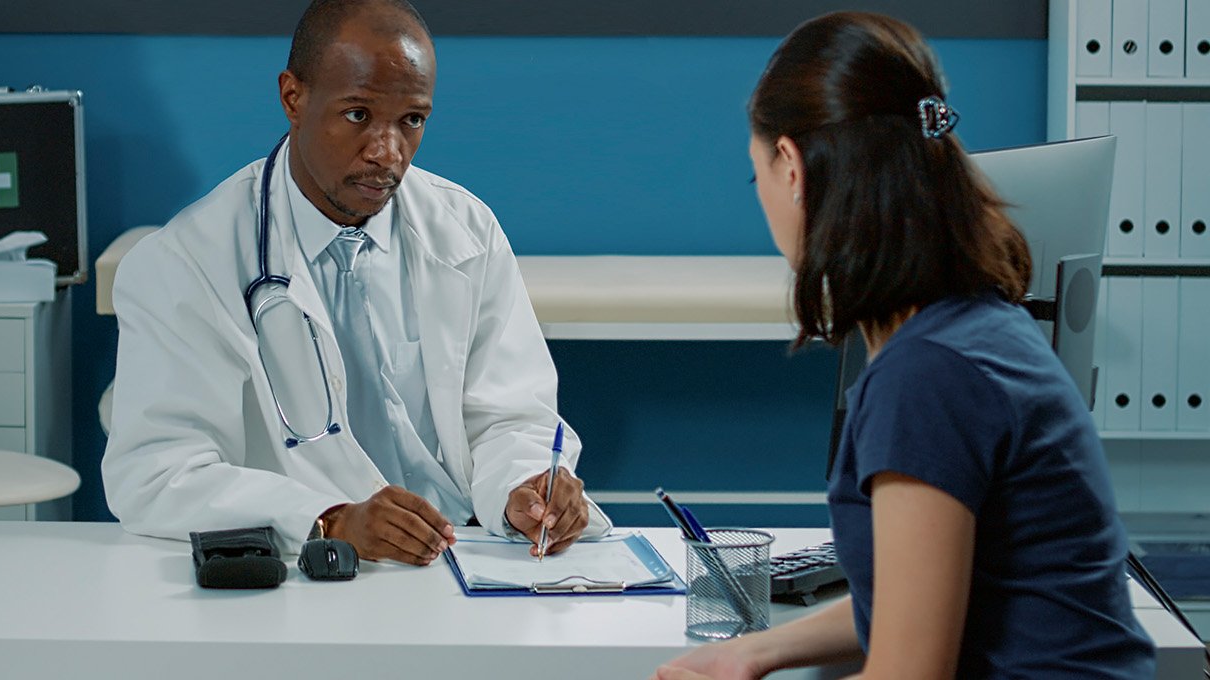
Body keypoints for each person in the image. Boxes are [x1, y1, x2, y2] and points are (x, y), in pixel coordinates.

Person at [656, 11, 1155, 680]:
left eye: (758, 179)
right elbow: (908, 597)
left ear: (791, 166)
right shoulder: (977, 328)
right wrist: (755, 650)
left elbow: (907, 671)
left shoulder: (926, 377)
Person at [103, 0, 609, 564]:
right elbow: (156, 475)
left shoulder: (466, 231)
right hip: (306, 568)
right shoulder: (188, 261)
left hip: (464, 556)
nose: (386, 153)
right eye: (358, 115)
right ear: (293, 97)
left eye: (411, 120)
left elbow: (510, 414)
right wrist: (328, 518)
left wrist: (526, 487)